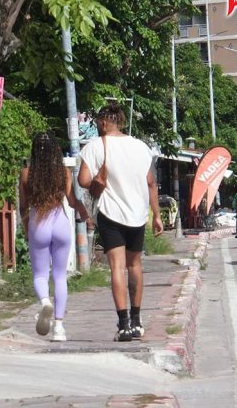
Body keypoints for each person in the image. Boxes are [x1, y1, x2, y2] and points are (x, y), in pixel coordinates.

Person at [78, 103, 164, 342]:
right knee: (134, 266)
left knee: (117, 267)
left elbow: (83, 180)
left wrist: (97, 179)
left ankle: (123, 324)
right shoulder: (141, 147)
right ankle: (137, 322)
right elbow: (150, 183)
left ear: (105, 122)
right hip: (137, 215)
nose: (97, 126)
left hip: (111, 214)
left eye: (98, 122)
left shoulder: (95, 146)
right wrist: (156, 215)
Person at [19, 132, 90, 342]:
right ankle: (59, 327)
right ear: (55, 151)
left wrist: (27, 228)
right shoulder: (64, 173)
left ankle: (45, 302)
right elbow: (71, 201)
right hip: (60, 223)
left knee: (40, 275)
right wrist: (84, 212)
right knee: (60, 276)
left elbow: (23, 207)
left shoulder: (26, 174)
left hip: (38, 224)